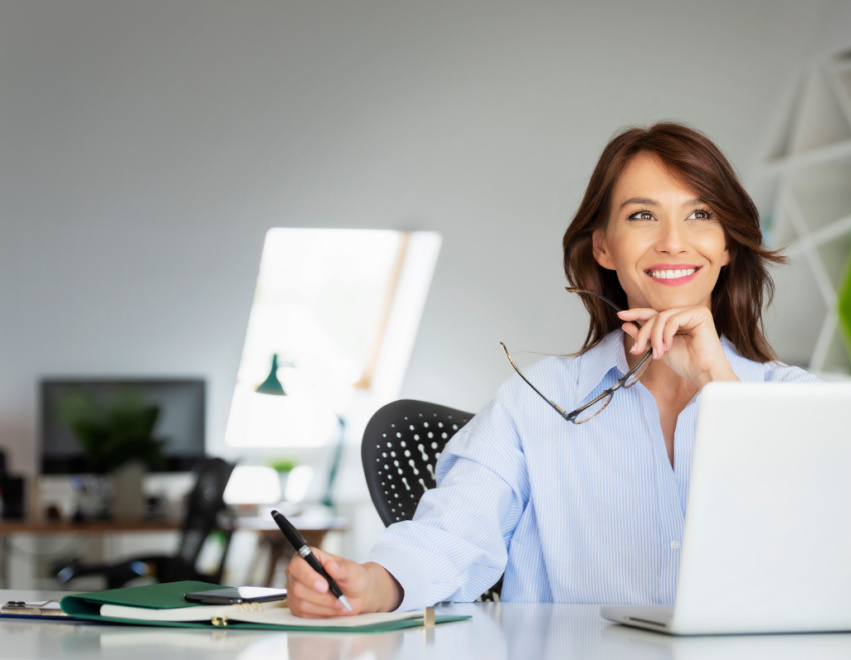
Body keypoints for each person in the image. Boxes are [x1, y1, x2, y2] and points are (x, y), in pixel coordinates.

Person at [285, 122, 820, 617]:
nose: (674, 240)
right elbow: (455, 531)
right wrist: (373, 584)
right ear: (604, 248)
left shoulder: (799, 401)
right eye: (642, 215)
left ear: (727, 245)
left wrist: (717, 385)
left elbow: (817, 538)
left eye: (700, 214)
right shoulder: (535, 399)